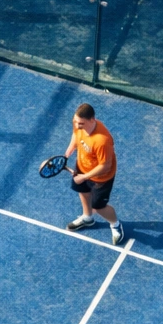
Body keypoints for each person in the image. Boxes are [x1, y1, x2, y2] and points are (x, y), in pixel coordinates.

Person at [64, 103, 125, 245]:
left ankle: (115, 224)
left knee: (99, 206)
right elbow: (76, 135)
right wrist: (68, 153)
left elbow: (105, 166)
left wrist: (84, 177)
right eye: (76, 122)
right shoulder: (78, 123)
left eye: (81, 123)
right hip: (82, 166)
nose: (77, 125)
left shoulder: (102, 140)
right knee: (83, 191)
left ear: (92, 120)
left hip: (101, 177)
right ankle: (87, 218)